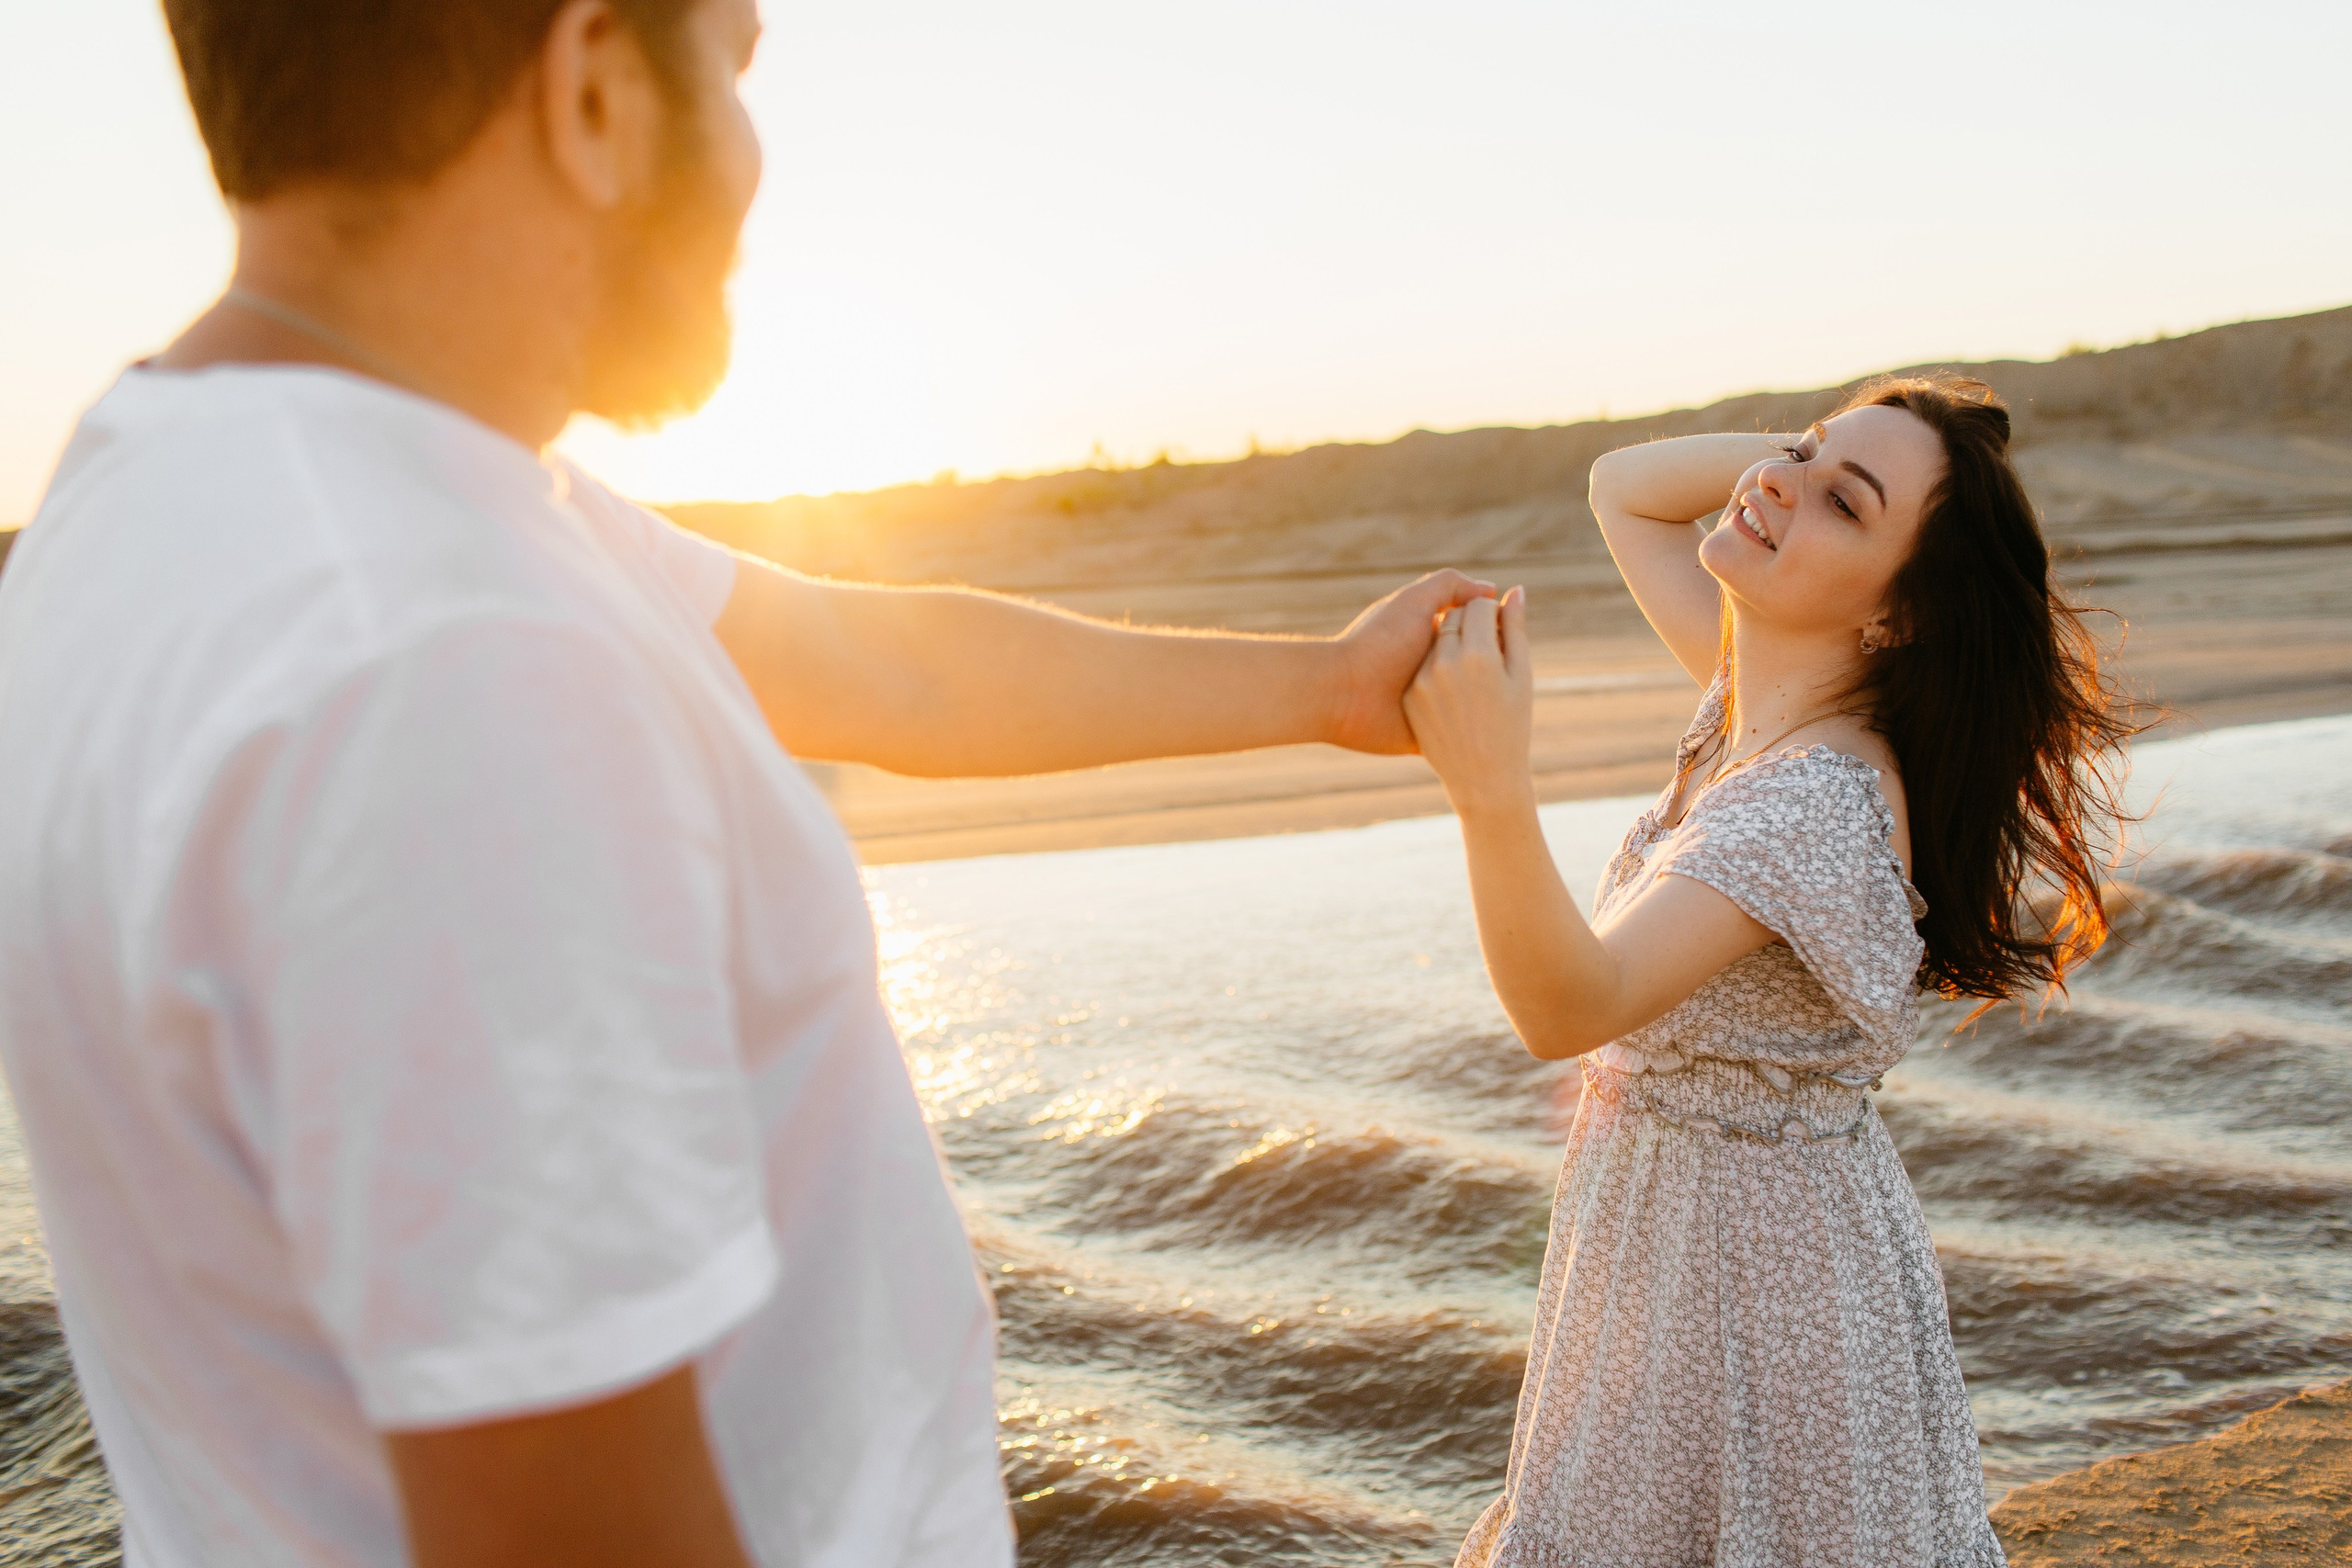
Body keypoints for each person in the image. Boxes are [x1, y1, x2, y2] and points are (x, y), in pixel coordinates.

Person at [0, 3, 1494, 1565]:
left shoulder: (165, 485)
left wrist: (1326, 685)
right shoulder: (445, 664)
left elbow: (869, 662)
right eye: (733, 66)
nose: (754, 152)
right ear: (593, 91)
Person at [1403, 378, 2132, 1567]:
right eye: (1798, 450)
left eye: (1848, 506)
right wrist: (1816, 469)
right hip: (1695, 1246)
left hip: (1751, 1283)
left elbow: (1566, 1006)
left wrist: (1489, 785)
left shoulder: (1811, 803)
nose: (1781, 483)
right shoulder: (1762, 698)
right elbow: (1623, 491)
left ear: (1899, 616)